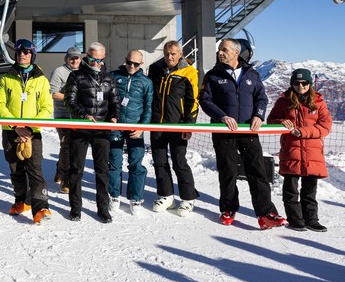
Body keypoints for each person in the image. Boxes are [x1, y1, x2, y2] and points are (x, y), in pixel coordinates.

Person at [199, 39, 287, 230]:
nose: (220, 53)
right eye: (219, 50)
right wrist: (222, 117)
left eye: (224, 49)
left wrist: (258, 116)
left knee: (257, 170)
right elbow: (205, 100)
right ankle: (228, 209)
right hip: (224, 131)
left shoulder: (252, 74)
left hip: (248, 130)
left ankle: (266, 213)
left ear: (236, 53)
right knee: (228, 170)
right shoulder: (213, 75)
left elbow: (261, 98)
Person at [0, 39, 54, 225]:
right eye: (19, 52)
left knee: (35, 169)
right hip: (11, 131)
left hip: (32, 132)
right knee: (16, 169)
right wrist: (16, 127)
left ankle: (41, 207)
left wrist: (28, 128)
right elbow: (0, 105)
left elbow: (46, 107)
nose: (22, 55)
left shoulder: (41, 80)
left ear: (32, 55)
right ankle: (22, 201)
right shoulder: (6, 78)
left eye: (26, 52)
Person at [267, 68, 332, 232]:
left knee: (310, 189)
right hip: (291, 150)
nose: (301, 86)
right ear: (292, 84)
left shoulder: (318, 103)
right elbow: (270, 120)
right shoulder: (283, 102)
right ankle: (295, 219)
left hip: (313, 153)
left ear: (310, 84)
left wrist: (303, 132)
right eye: (297, 83)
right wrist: (281, 122)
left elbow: (325, 127)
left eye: (304, 83)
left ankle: (311, 220)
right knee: (291, 189)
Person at [64, 42, 120, 223]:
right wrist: (83, 115)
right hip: (80, 128)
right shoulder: (76, 76)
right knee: (76, 169)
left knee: (102, 170)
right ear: (86, 57)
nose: (95, 63)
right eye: (92, 59)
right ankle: (75, 208)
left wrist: (115, 116)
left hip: (101, 130)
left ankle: (103, 209)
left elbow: (115, 102)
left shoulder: (109, 78)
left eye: (99, 60)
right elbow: (69, 101)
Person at [147, 40, 199, 217]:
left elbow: (193, 100)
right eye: (167, 54)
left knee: (179, 161)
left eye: (173, 54)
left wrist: (189, 125)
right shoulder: (155, 69)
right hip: (157, 124)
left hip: (178, 125)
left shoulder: (189, 72)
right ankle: (166, 196)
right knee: (159, 161)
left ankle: (188, 198)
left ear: (180, 54)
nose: (169, 57)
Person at [109, 49, 153, 216]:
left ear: (141, 64)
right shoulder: (114, 76)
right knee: (114, 161)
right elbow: (107, 99)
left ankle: (136, 198)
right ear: (125, 60)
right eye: (129, 62)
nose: (132, 66)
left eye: (135, 64)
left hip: (135, 128)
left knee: (136, 162)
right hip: (116, 125)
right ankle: (114, 195)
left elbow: (148, 107)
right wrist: (110, 117)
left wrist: (142, 127)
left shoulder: (146, 82)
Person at [49, 47, 82, 194]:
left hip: (78, 116)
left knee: (74, 146)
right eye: (71, 58)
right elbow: (52, 93)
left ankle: (59, 169)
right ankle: (65, 179)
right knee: (67, 146)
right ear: (66, 59)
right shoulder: (59, 72)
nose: (74, 61)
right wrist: (71, 99)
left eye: (77, 58)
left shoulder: (82, 72)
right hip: (63, 115)